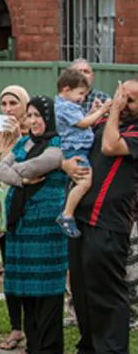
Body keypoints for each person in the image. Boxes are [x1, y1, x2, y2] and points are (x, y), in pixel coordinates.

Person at [61, 80, 138, 354]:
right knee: (81, 290)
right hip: (80, 217)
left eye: (131, 101)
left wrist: (115, 110)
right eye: (123, 97)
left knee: (106, 292)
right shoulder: (104, 121)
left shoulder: (130, 130)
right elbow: (70, 146)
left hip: (108, 222)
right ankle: (89, 351)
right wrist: (66, 165)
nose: (124, 104)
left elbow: (109, 146)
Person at [0, 96, 69, 354]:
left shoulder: (59, 143)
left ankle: (50, 351)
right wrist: (22, 179)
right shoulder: (23, 142)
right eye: (30, 116)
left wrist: (19, 173)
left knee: (48, 287)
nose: (34, 121)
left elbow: (40, 164)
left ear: (49, 118)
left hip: (46, 225)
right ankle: (33, 345)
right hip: (22, 224)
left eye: (39, 115)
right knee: (26, 286)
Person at [0, 85, 31, 350]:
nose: (8, 109)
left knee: (28, 264)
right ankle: (16, 327)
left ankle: (33, 325)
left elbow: (31, 169)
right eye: (4, 104)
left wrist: (19, 137)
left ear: (25, 105)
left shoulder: (31, 130)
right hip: (0, 209)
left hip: (25, 204)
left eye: (14, 103)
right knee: (9, 268)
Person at [54, 69, 111, 237]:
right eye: (80, 93)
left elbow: (80, 123)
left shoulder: (70, 105)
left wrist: (93, 112)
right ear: (66, 89)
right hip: (76, 150)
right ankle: (67, 214)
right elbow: (82, 124)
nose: (83, 98)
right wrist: (102, 111)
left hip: (79, 147)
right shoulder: (64, 106)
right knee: (85, 182)